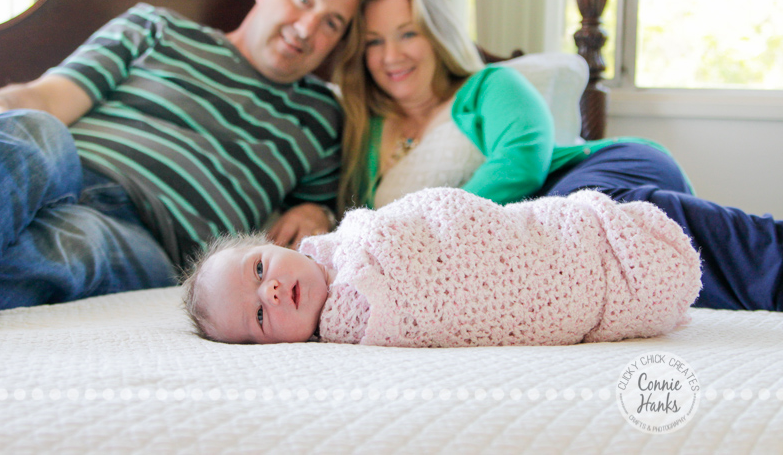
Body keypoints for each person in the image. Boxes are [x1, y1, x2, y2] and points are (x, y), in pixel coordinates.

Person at [334, 0, 783, 313]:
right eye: (374, 42)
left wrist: (424, 235)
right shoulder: (361, 129)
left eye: (407, 34)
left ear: (436, 36)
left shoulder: (490, 85)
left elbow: (521, 162)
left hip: (598, 169)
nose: (391, 55)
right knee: (587, 270)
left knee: (585, 222)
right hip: (529, 247)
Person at [0, 0, 361, 312]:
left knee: (74, 247)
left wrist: (318, 212)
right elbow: (47, 97)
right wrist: (5, 104)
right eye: (304, 0)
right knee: (34, 130)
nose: (307, 28)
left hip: (151, 238)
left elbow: (329, 224)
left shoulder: (322, 117)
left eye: (331, 23)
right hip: (70, 170)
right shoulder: (156, 28)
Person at [181, 187, 702, 346]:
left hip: (558, 234)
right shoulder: (348, 321)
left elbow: (448, 215)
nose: (270, 292)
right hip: (573, 289)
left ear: (276, 244)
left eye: (258, 270)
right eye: (258, 317)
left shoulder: (356, 236)